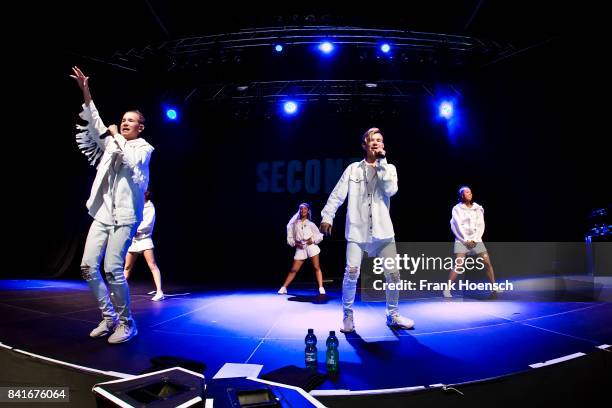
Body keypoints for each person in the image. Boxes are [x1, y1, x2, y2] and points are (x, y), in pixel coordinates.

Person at [71, 66, 154, 344]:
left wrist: (115, 135)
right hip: (104, 213)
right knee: (87, 267)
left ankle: (128, 323)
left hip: (127, 217)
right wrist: (86, 90)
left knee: (112, 269)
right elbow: (95, 123)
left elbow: (132, 167)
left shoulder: (144, 148)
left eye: (131, 121)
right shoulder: (112, 144)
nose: (126, 123)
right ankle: (109, 318)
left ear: (140, 127)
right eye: (123, 119)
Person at [320, 127, 414, 333]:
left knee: (394, 274)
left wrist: (382, 163)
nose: (375, 142)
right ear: (365, 144)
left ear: (382, 145)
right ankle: (347, 315)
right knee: (351, 272)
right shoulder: (353, 169)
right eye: (371, 139)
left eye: (379, 139)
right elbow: (337, 195)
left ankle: (393, 314)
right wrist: (328, 216)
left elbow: (390, 190)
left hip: (383, 232)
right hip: (357, 231)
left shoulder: (389, 169)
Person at [443, 186, 499, 298]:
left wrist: (475, 238)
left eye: (470, 192)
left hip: (476, 239)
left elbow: (481, 225)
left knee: (487, 262)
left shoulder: (478, 208)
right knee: (459, 265)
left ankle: (494, 286)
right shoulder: (456, 209)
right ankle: (447, 289)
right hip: (462, 239)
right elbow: (456, 225)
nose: (470, 194)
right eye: (467, 192)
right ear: (462, 196)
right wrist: (465, 240)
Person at [124, 191, 164, 301]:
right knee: (127, 267)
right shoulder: (135, 205)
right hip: (134, 241)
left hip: (145, 239)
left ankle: (159, 292)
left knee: (152, 265)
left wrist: (136, 229)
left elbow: (148, 223)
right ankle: (120, 291)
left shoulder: (150, 207)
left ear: (146, 194)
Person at [278, 203, 326, 295]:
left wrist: (312, 240)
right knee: (293, 269)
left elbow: (320, 235)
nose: (302, 210)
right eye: (301, 209)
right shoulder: (294, 224)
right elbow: (290, 237)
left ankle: (321, 287)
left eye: (304, 209)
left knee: (316, 267)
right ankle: (284, 287)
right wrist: (296, 243)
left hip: (311, 247)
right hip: (300, 247)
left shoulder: (311, 224)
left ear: (308, 211)